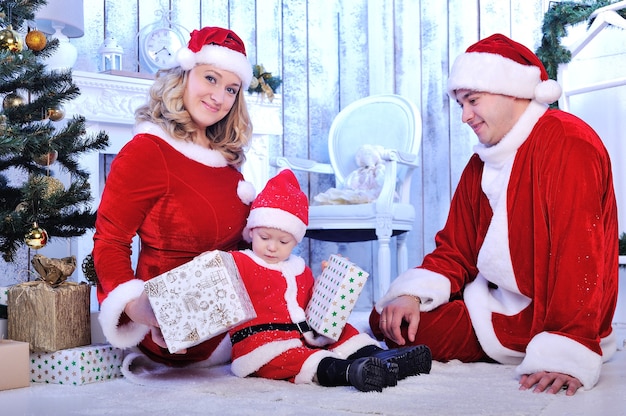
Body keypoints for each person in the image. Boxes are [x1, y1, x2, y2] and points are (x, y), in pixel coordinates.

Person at [369, 33, 618, 396]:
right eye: (460, 104)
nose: (465, 116)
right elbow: (456, 249)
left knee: (399, 325)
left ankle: (558, 341)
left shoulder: (567, 142)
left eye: (472, 100)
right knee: (389, 318)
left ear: (512, 91)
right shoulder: (479, 163)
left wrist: (568, 347)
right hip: (494, 305)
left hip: (555, 316)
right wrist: (413, 295)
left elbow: (579, 255)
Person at [93, 26, 257, 367]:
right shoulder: (149, 151)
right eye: (210, 78)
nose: (219, 96)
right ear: (184, 75)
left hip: (236, 315)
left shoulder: (226, 160)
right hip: (176, 328)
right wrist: (134, 304)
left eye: (231, 88)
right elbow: (110, 240)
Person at [228, 169, 432, 392]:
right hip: (262, 343)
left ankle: (381, 357)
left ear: (295, 242)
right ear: (251, 232)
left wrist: (330, 282)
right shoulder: (240, 263)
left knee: (341, 331)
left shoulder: (299, 269)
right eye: (264, 237)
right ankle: (348, 371)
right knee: (291, 359)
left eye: (283, 241)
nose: (272, 247)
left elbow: (311, 305)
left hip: (304, 333)